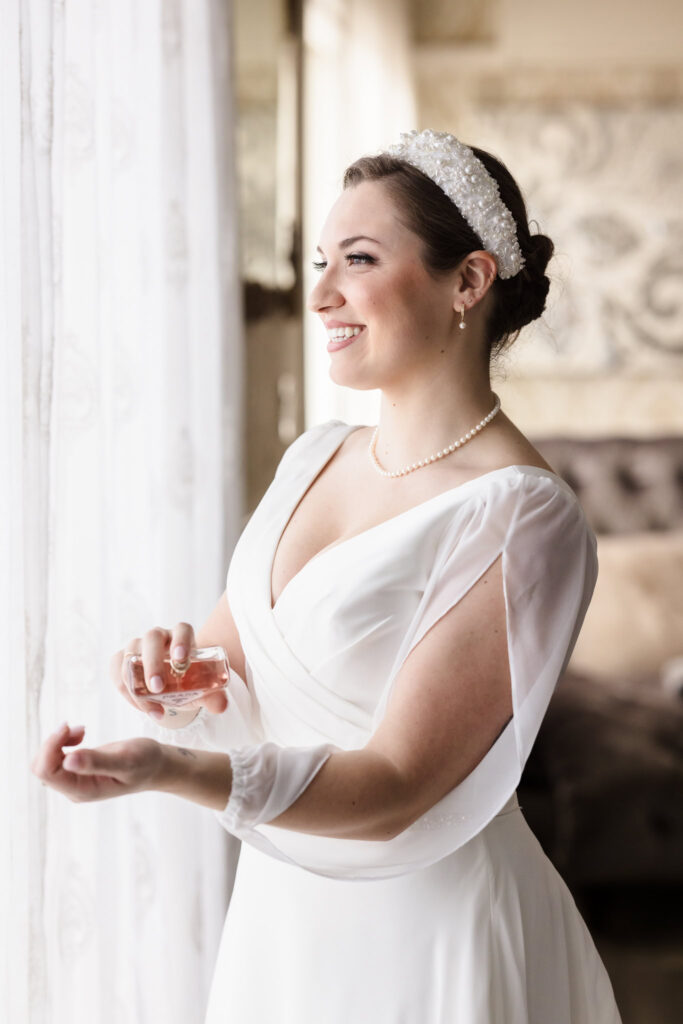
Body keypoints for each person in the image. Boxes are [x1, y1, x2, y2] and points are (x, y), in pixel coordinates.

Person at [32, 129, 623, 1023]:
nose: (319, 295)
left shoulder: (521, 514)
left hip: (429, 935)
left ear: (467, 281)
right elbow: (227, 665)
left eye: (357, 259)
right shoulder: (315, 457)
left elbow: (394, 786)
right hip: (284, 918)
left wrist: (172, 771)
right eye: (321, 261)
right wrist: (171, 676)